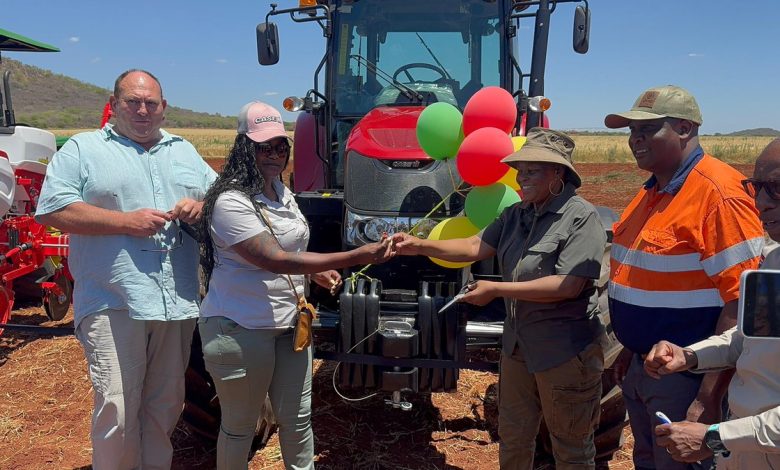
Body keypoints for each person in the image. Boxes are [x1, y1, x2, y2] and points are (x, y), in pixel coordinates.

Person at [393, 127, 608, 470]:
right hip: (519, 348)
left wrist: (496, 289)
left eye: (531, 171)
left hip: (564, 353)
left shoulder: (581, 217)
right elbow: (474, 247)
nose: (521, 178)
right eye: (520, 171)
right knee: (514, 437)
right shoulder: (517, 213)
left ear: (558, 173)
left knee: (571, 447)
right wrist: (419, 245)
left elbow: (568, 285)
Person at [35, 69, 217, 469]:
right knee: (116, 407)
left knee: (165, 406)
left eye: (151, 103)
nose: (142, 110)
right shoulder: (84, 149)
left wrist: (201, 208)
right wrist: (125, 222)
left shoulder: (183, 151)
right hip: (115, 298)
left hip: (175, 301)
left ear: (164, 108)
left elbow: (220, 200)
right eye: (132, 102)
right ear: (114, 105)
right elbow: (53, 207)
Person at [198, 101, 395, 470]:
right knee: (239, 427)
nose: (273, 155)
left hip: (290, 327)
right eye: (262, 147)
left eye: (280, 146)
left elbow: (292, 251)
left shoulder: (281, 192)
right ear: (244, 147)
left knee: (298, 419)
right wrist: (355, 256)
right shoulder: (231, 201)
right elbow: (276, 259)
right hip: (240, 330)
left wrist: (314, 274)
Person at [605, 85, 764, 469]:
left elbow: (740, 304)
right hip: (645, 367)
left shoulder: (718, 195)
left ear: (685, 128)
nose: (635, 139)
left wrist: (708, 398)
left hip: (688, 377)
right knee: (649, 460)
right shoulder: (653, 192)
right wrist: (632, 346)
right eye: (631, 131)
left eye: (648, 129)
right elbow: (650, 281)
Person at [642, 138, 780, 469]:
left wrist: (713, 438)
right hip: (746, 447)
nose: (761, 202)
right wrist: (690, 355)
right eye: (756, 186)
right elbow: (750, 339)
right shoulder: (773, 260)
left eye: (776, 188)